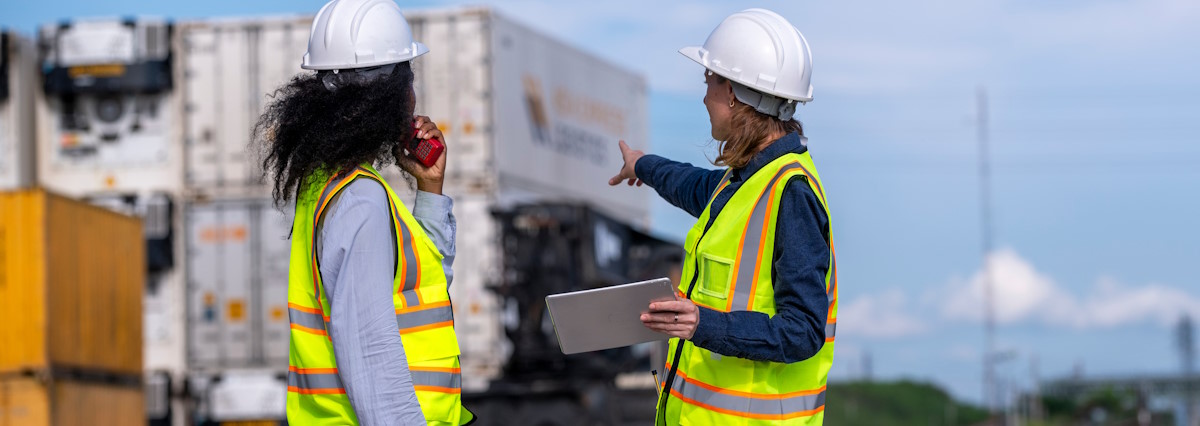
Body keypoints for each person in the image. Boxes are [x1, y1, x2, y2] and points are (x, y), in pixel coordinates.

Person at [609, 8, 837, 425]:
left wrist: (703, 324)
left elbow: (803, 330)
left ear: (732, 92)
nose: (704, 96)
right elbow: (694, 185)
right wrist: (641, 164)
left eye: (709, 81)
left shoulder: (790, 193)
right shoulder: (747, 180)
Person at [256, 0, 473, 424]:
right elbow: (369, 346)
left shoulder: (329, 184)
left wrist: (429, 189)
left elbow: (416, 294)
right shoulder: (360, 200)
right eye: (410, 79)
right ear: (392, 93)